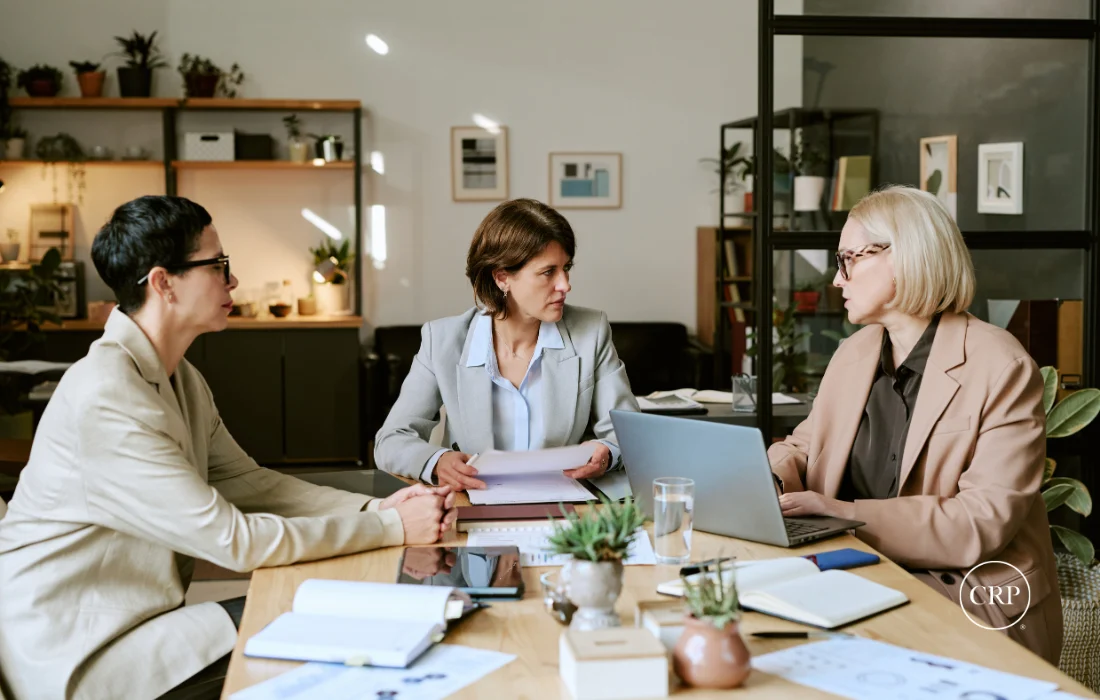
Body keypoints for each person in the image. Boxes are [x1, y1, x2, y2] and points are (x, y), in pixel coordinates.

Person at [0, 196, 457, 700]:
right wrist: (389, 526)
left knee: (330, 605)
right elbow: (233, 540)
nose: (232, 281)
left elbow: (249, 484)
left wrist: (378, 505)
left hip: (139, 621)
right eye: (218, 266)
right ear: (163, 283)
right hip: (74, 651)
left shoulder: (180, 377)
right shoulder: (105, 397)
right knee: (333, 622)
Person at [768, 186, 1062, 663]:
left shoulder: (1001, 365)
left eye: (848, 260)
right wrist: (771, 477)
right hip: (861, 577)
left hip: (970, 598)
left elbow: (980, 522)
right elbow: (806, 445)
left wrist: (840, 511)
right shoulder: (855, 353)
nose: (836, 279)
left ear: (903, 259)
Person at [375, 198, 638, 490]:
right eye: (548, 272)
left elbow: (629, 435)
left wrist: (608, 453)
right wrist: (436, 460)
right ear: (502, 277)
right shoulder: (443, 340)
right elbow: (391, 440)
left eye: (566, 268)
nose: (565, 284)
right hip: (476, 505)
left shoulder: (591, 332)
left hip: (568, 507)